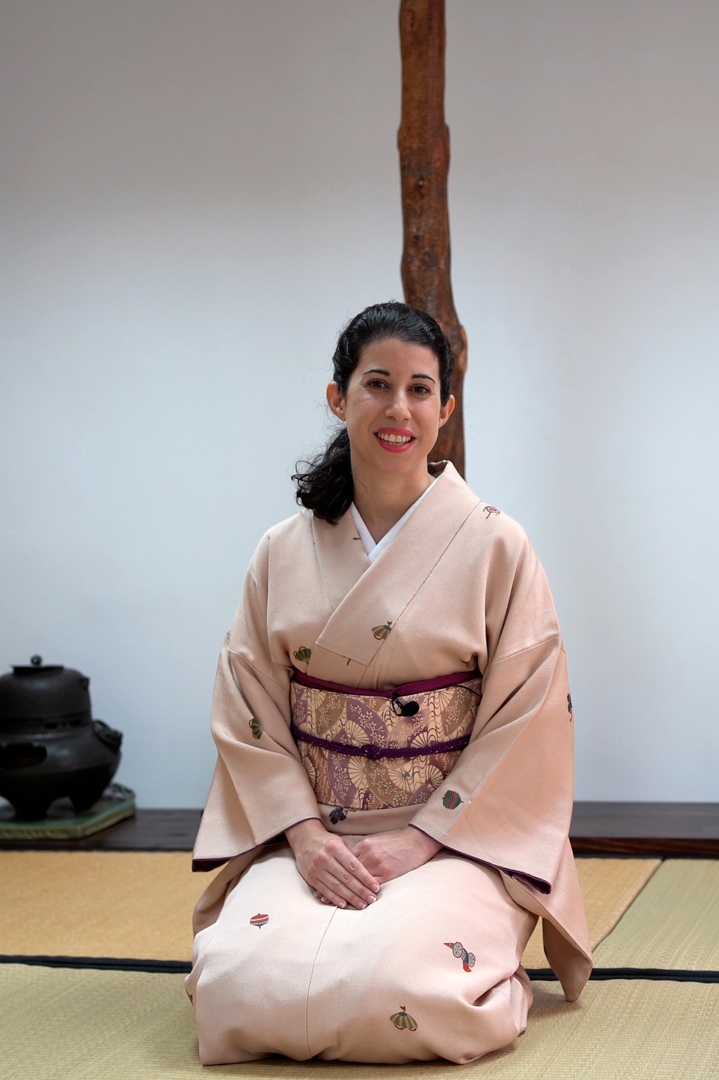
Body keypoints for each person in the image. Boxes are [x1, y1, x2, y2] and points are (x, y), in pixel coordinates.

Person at [186, 302, 591, 1065]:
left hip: (454, 839)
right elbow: (250, 711)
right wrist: (304, 839)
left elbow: (526, 718)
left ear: (445, 407)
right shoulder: (280, 551)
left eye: (419, 389)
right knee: (237, 983)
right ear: (339, 398)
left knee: (403, 985)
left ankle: (494, 971)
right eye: (377, 385)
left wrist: (417, 841)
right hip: (314, 833)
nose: (398, 409)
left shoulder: (497, 545)